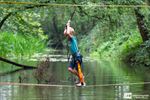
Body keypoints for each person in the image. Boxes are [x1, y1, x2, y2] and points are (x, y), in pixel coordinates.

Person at [64, 20, 86, 86]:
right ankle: (81, 76)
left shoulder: (73, 38)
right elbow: (65, 32)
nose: (66, 35)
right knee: (70, 69)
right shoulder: (69, 38)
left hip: (77, 56)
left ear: (71, 33)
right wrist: (67, 26)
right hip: (73, 56)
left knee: (79, 70)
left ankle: (82, 82)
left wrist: (68, 25)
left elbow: (67, 33)